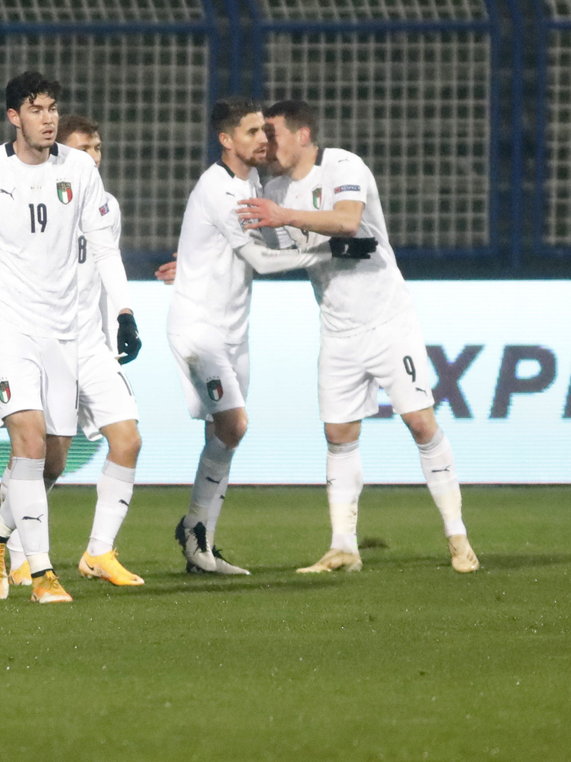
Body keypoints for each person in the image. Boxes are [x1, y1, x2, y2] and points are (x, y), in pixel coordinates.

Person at [0, 73, 141, 605]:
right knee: (30, 442)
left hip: (64, 333)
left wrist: (125, 312)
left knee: (53, 463)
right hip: (6, 327)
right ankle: (42, 575)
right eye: (36, 109)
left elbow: (104, 248)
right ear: (13, 117)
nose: (48, 118)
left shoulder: (79, 168)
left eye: (53, 108)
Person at [239, 99, 479, 574]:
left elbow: (348, 220)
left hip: (388, 321)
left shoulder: (343, 166)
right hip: (338, 328)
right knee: (339, 434)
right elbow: (278, 255)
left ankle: (458, 538)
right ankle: (343, 547)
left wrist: (285, 215)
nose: (266, 142)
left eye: (273, 132)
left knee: (420, 424)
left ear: (303, 134)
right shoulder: (275, 190)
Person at [166, 98, 331, 575]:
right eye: (253, 132)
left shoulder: (252, 184)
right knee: (234, 425)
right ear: (226, 140)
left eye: (265, 131)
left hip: (234, 329)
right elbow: (258, 258)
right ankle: (194, 530)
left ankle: (200, 545)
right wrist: (327, 253)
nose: (264, 139)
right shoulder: (219, 188)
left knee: (222, 435)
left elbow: (247, 243)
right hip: (199, 329)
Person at [1, 113, 147, 588]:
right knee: (48, 461)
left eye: (98, 148)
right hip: (47, 342)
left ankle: (99, 551)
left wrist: (121, 319)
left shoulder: (107, 207)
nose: (94, 158)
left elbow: (106, 267)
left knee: (128, 440)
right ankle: (10, 546)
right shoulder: (35, 201)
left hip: (93, 343)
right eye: (84, 149)